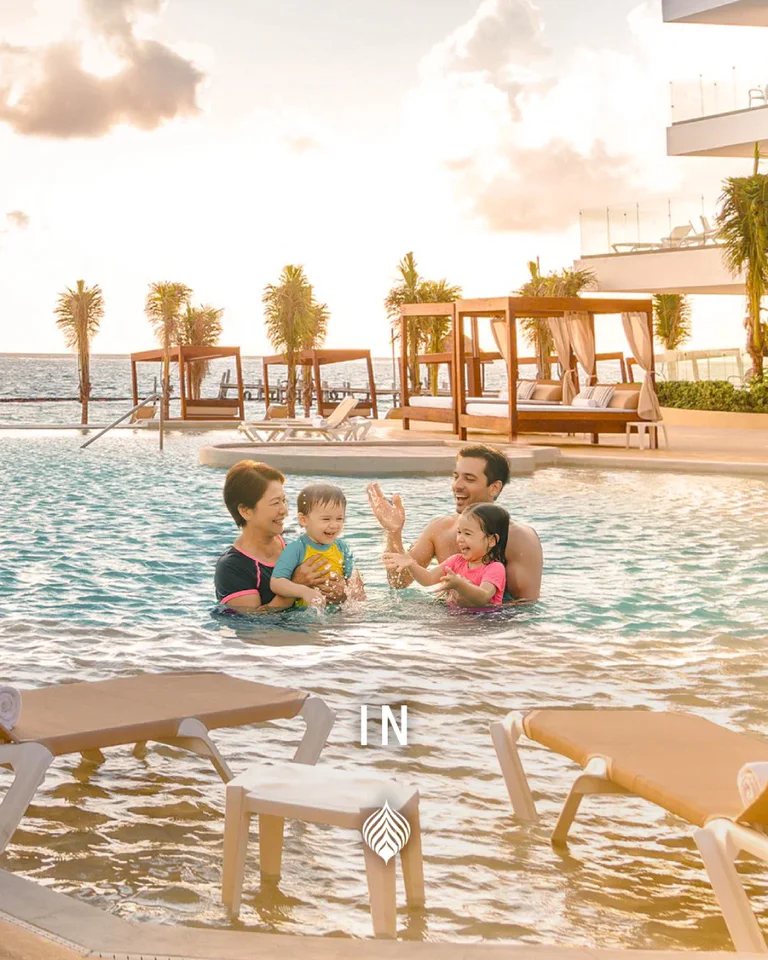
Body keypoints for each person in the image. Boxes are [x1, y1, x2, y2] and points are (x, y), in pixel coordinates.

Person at [368, 443, 542, 602]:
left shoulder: (519, 538)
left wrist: (471, 609)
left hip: (490, 628)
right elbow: (398, 582)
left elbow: (526, 607)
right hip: (448, 620)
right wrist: (393, 532)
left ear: (494, 487)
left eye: (469, 479)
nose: (457, 486)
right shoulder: (439, 529)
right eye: (456, 477)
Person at [215, 460, 333, 614]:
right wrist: (295, 585)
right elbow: (255, 623)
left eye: (284, 500)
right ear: (246, 511)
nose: (284, 510)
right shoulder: (232, 567)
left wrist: (338, 592)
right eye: (275, 502)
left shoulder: (296, 542)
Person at [383, 503, 508, 608]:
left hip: (484, 622)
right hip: (456, 615)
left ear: (492, 540)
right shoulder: (456, 561)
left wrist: (460, 585)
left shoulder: (495, 568)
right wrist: (411, 564)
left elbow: (483, 597)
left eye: (468, 534)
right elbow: (427, 579)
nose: (459, 539)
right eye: (459, 532)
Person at [271, 483, 362, 607]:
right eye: (326, 519)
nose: (334, 525)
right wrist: (304, 592)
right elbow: (276, 583)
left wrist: (345, 594)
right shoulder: (297, 549)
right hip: (304, 615)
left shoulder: (342, 548)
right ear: (304, 520)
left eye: (339, 519)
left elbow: (355, 585)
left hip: (337, 611)